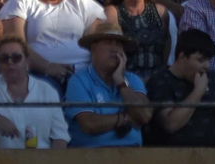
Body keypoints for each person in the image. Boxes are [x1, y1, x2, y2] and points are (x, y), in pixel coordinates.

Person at [63, 20, 152, 148]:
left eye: (118, 44)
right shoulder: (78, 81)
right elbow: (89, 124)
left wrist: (121, 82)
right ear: (93, 48)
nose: (114, 48)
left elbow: (145, 116)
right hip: (90, 156)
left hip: (132, 154)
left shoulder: (132, 80)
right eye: (108, 42)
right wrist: (125, 118)